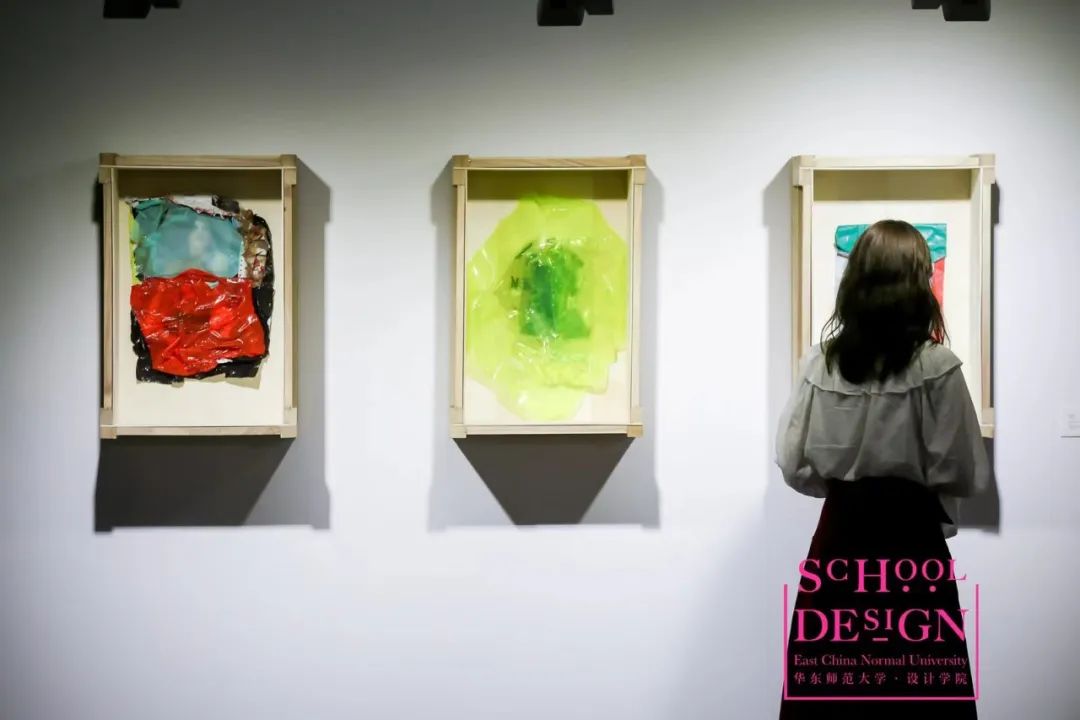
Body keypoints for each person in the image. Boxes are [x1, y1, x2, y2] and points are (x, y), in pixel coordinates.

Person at [775, 220, 990, 719]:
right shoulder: (937, 365)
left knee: (831, 682)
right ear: (918, 282)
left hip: (841, 538)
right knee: (918, 685)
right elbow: (965, 472)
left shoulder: (822, 363)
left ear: (856, 279)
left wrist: (843, 487)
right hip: (912, 541)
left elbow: (792, 461)